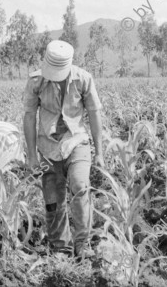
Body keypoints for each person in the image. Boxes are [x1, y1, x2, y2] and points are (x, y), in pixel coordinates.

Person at [23, 40, 104, 259]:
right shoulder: (36, 81)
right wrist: (31, 156)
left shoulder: (83, 79)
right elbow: (29, 116)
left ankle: (82, 243)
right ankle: (60, 247)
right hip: (48, 146)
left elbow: (95, 113)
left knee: (79, 186)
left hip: (77, 142)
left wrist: (100, 153)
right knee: (52, 197)